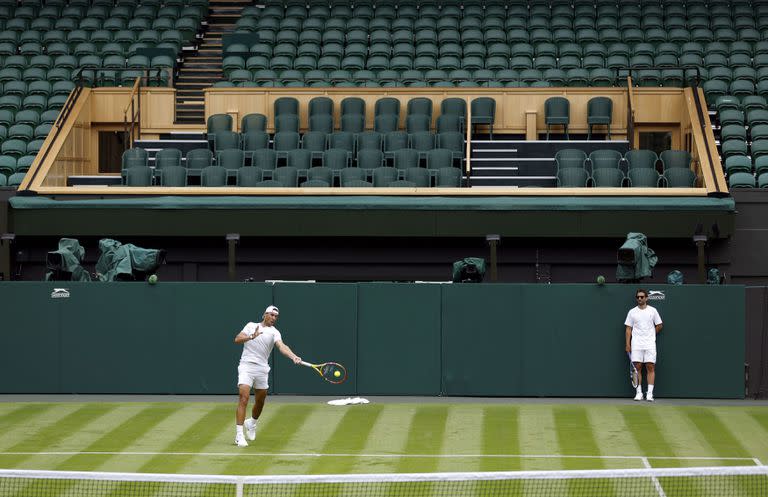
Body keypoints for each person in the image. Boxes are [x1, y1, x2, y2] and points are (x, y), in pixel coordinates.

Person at [233, 305, 302, 447]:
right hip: (246, 366)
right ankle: (239, 435)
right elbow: (237, 339)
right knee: (243, 397)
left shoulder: (275, 332)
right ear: (265, 314)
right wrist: (252, 336)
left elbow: (282, 346)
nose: (274, 318)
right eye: (271, 315)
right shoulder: (251, 325)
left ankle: (252, 423)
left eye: (276, 316)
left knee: (260, 401)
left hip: (262, 369)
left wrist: (293, 356)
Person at [624, 289, 663, 402]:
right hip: (636, 344)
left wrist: (651, 334)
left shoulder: (653, 311)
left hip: (650, 344)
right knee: (637, 367)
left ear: (646, 298)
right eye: (638, 297)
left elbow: (659, 325)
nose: (640, 299)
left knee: (650, 366)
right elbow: (628, 329)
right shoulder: (632, 312)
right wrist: (627, 344)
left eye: (642, 297)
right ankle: (639, 393)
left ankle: (649, 394)